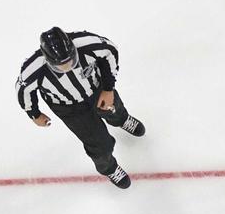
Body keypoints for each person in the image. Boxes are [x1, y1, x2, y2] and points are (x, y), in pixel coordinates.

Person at [15, 27, 145, 189]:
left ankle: (122, 120)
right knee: (99, 144)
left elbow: (110, 51)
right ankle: (109, 169)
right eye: (60, 65)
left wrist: (108, 88)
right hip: (70, 109)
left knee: (115, 109)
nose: (67, 66)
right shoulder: (33, 69)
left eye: (70, 59)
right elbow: (23, 90)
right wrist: (34, 114)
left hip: (97, 89)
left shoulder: (88, 44)